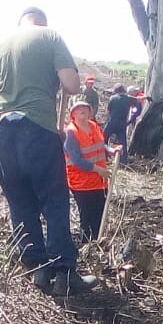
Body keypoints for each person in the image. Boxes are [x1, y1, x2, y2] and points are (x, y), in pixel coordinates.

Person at [0, 6, 97, 296]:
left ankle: (38, 268)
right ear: (42, 22)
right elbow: (72, 85)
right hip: (37, 127)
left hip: (2, 131)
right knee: (54, 199)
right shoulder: (49, 36)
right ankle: (63, 271)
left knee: (20, 199)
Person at [64, 100, 112, 242]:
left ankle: (97, 243)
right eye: (79, 109)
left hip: (99, 181)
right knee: (87, 217)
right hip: (82, 183)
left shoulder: (93, 126)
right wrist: (98, 169)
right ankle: (86, 244)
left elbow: (101, 145)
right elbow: (77, 160)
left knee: (100, 214)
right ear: (73, 114)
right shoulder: (71, 132)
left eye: (85, 108)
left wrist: (111, 150)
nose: (83, 111)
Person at [103, 84, 141, 166]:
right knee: (122, 143)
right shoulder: (128, 99)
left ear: (115, 91)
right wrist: (132, 119)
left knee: (103, 138)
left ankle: (104, 157)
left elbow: (108, 111)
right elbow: (138, 104)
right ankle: (123, 162)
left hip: (112, 122)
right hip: (122, 123)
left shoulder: (112, 98)